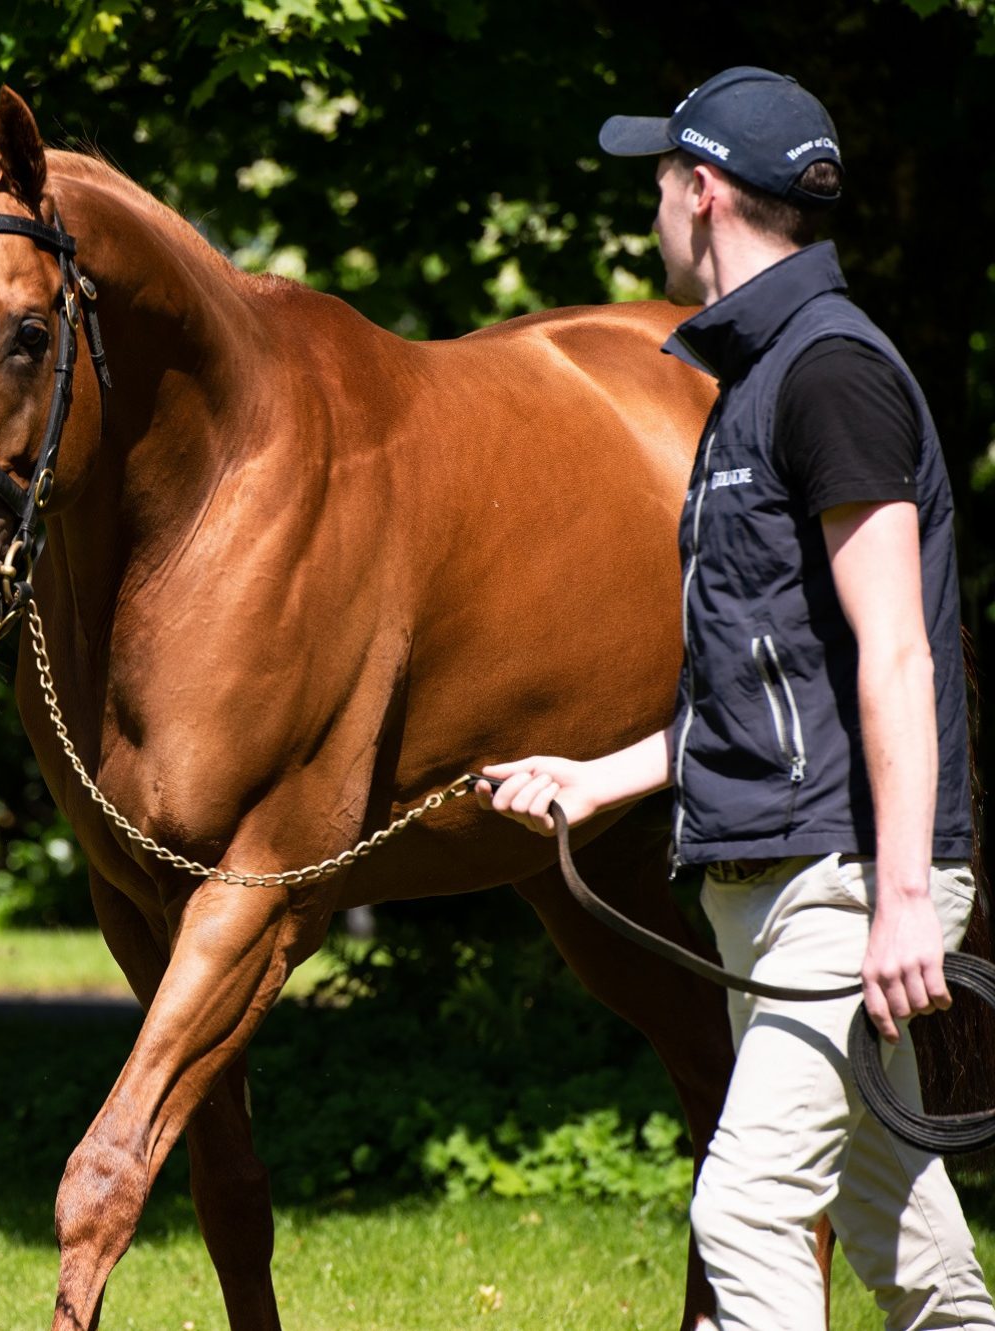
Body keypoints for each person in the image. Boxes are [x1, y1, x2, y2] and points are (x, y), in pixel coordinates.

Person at [478, 66, 993, 1329]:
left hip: (845, 879)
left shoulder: (829, 376)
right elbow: (767, 675)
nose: (656, 202)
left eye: (662, 177)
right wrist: (596, 777)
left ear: (702, 192)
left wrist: (907, 900)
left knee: (747, 1209)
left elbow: (896, 655)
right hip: (773, 881)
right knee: (901, 1230)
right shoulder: (751, 388)